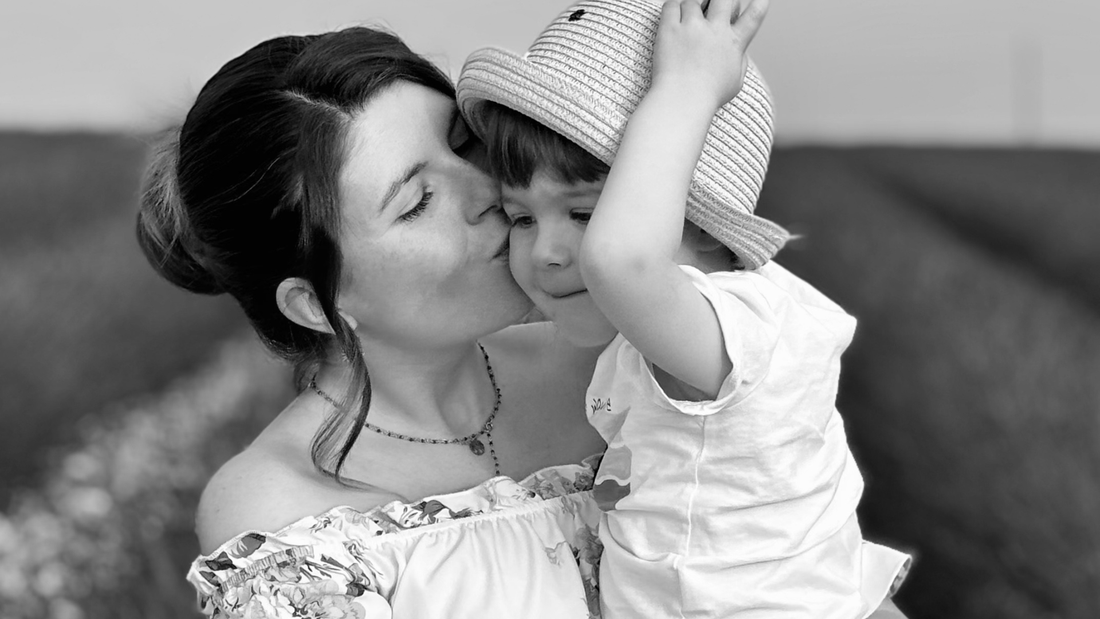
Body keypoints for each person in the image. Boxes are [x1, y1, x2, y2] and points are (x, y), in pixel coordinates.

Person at [138, 13, 908, 619]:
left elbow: (809, 562)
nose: (486, 191)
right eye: (418, 201)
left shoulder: (622, 354)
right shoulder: (278, 513)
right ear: (317, 301)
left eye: (468, 145)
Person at [456, 0, 911, 616]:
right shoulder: (712, 331)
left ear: (697, 222)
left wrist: (689, 85)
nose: (547, 253)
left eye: (587, 213)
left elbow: (620, 263)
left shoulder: (722, 327)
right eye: (520, 218)